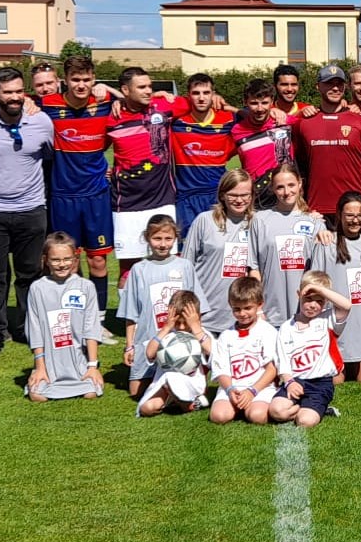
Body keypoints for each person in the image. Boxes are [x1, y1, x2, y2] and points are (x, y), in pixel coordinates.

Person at [0, 66, 55, 353]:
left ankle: (28, 326)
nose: (14, 97)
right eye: (7, 92)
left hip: (31, 207)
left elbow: (49, 158)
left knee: (30, 273)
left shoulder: (41, 121)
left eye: (18, 91)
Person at [40, 54, 116, 309]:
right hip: (63, 197)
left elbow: (135, 98)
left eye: (86, 79)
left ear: (94, 79)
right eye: (75, 80)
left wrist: (108, 88)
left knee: (98, 261)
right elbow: (10, 99)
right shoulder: (47, 104)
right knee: (68, 261)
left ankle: (99, 319)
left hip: (96, 196)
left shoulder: (105, 103)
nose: (81, 85)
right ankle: (75, 314)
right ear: (65, 80)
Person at [309, 191, 361, 382]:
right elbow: (315, 282)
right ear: (339, 215)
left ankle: (360, 357)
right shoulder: (327, 243)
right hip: (337, 323)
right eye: (349, 215)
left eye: (360, 215)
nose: (355, 220)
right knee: (336, 380)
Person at [103, 67, 176, 279]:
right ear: (125, 90)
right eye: (142, 87)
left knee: (169, 266)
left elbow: (203, 101)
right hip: (126, 203)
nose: (148, 91)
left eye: (150, 86)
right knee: (128, 271)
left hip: (163, 199)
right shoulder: (111, 117)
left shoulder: (164, 106)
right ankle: (128, 304)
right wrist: (103, 169)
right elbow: (94, 149)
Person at [24, 234, 105, 401]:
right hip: (49, 363)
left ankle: (82, 373)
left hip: (78, 361)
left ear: (75, 259)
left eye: (67, 259)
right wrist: (40, 367)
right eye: (55, 260)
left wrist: (92, 366)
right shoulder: (37, 288)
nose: (62, 264)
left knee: (90, 394)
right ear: (46, 260)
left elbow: (91, 327)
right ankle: (42, 372)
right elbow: (34, 329)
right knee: (37, 396)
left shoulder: (86, 286)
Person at [121, 214, 191, 399]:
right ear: (147, 238)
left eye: (168, 238)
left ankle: (170, 390)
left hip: (177, 341)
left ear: (175, 238)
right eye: (157, 238)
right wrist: (129, 347)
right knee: (136, 392)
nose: (163, 244)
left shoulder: (185, 266)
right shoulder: (138, 269)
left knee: (177, 388)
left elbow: (194, 308)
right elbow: (131, 313)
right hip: (147, 342)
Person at [270, 273, 354, 427]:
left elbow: (347, 305)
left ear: (326, 300)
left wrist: (318, 289)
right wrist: (289, 382)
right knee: (276, 411)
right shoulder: (286, 327)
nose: (313, 305)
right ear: (299, 295)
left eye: (319, 301)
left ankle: (318, 408)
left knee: (305, 421)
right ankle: (307, 406)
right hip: (296, 381)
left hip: (320, 384)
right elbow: (282, 361)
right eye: (308, 299)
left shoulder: (328, 320)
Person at [294, 65, 361, 216]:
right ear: (318, 86)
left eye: (339, 84)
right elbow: (300, 167)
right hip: (317, 208)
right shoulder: (304, 123)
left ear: (345, 87)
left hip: (355, 208)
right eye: (329, 84)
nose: (335, 88)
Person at [251, 163, 322, 331]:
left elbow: (321, 273)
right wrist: (258, 308)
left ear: (300, 184)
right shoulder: (260, 220)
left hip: (305, 314)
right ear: (272, 189)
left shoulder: (315, 222)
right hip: (269, 314)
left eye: (291, 185)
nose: (286, 192)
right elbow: (253, 268)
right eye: (280, 187)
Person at [184, 170, 256, 333]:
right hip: (204, 317)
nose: (239, 200)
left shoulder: (257, 223)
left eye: (245, 195)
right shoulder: (204, 221)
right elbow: (186, 267)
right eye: (233, 195)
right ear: (222, 195)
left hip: (241, 318)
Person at [208, 277, 277, 425]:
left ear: (260, 304)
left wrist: (252, 391)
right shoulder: (226, 335)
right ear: (230, 305)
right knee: (219, 416)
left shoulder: (268, 331)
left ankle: (254, 407)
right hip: (233, 388)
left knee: (257, 416)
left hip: (260, 387)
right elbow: (221, 370)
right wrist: (230, 390)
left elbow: (272, 369)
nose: (242, 313)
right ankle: (237, 406)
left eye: (247, 308)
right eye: (237, 309)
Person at [167, 72, 236, 223]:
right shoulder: (176, 122)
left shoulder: (228, 119)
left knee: (219, 237)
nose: (201, 98)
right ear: (188, 96)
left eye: (206, 93)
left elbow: (254, 117)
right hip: (186, 197)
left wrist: (228, 106)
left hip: (217, 195)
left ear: (213, 94)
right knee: (186, 238)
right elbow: (146, 107)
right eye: (196, 93)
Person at [137, 290, 210, 417]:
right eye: (177, 322)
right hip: (165, 385)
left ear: (197, 317)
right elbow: (150, 354)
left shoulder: (200, 333)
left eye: (185, 322)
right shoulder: (167, 335)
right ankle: (176, 399)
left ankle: (187, 404)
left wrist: (196, 327)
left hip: (191, 383)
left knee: (173, 380)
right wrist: (166, 328)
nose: (181, 327)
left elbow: (211, 351)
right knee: (146, 409)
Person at [230, 78, 296, 208]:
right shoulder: (236, 131)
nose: (260, 109)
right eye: (254, 103)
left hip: (287, 197)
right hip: (257, 201)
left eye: (265, 103)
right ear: (245, 102)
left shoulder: (285, 123)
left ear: (272, 101)